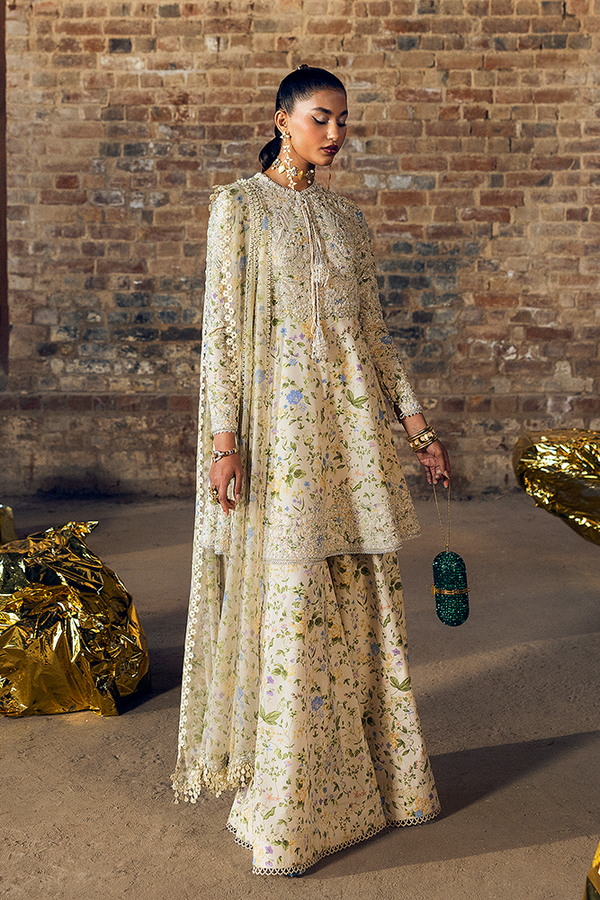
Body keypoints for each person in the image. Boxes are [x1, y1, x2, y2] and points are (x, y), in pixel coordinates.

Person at [172, 65, 451, 876]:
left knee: (361, 601)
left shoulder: (346, 219)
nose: (335, 134)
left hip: (351, 437)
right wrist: (224, 443)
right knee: (294, 606)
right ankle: (290, 814)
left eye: (343, 120)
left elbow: (374, 333)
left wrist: (418, 427)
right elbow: (223, 334)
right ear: (281, 120)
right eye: (320, 118)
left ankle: (383, 791)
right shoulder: (239, 208)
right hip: (283, 440)